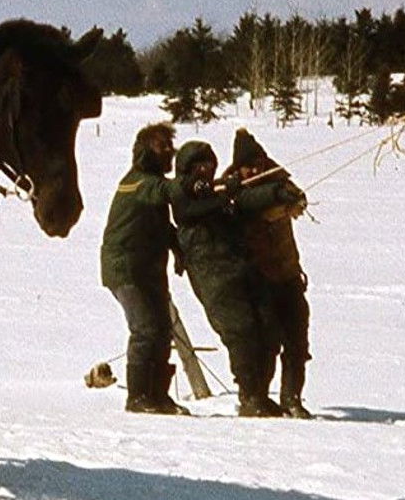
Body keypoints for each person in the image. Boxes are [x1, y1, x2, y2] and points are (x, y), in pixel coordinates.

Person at [171, 139, 285, 418]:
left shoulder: (217, 191)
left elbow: (246, 201)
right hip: (213, 277)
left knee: (270, 327)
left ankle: (260, 392)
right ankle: (249, 395)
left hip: (241, 269)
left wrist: (277, 193)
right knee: (241, 331)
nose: (207, 170)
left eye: (210, 164)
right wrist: (223, 195)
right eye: (200, 165)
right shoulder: (182, 193)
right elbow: (191, 209)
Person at [99, 122, 191, 415]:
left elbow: (162, 225)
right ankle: (137, 396)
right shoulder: (138, 182)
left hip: (148, 270)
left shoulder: (150, 183)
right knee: (145, 329)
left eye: (170, 146)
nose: (169, 152)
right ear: (145, 151)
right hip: (124, 269)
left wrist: (177, 249)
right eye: (162, 146)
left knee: (162, 330)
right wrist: (194, 183)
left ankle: (158, 395)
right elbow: (164, 192)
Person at [226, 129, 314, 419]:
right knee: (267, 341)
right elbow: (247, 203)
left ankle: (292, 398)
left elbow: (297, 197)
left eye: (258, 163)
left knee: (297, 341)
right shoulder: (231, 189)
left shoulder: (278, 179)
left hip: (288, 274)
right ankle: (258, 398)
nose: (254, 169)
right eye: (248, 165)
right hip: (258, 277)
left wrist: (293, 199)